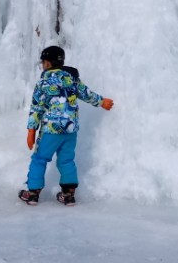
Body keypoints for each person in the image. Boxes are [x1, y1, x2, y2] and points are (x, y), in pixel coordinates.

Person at [18, 45, 113, 206]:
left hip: (51, 129)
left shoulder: (44, 81)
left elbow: (37, 107)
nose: (42, 65)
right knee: (66, 160)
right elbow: (85, 93)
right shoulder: (71, 78)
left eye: (43, 62)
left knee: (40, 159)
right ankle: (68, 195)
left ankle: (33, 193)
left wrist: (31, 130)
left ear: (48, 63)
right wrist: (102, 102)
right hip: (70, 130)